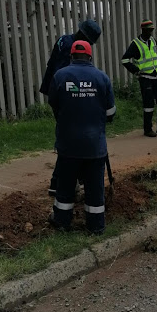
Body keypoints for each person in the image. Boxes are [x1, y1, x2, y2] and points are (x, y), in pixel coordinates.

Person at [47, 40, 116, 235]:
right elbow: (110, 113)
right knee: (95, 188)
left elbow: (55, 105)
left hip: (68, 145)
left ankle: (62, 222)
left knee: (65, 186)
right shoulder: (102, 78)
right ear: (90, 57)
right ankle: (95, 226)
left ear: (71, 57)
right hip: (95, 146)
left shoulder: (60, 76)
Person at [41, 18, 102, 195]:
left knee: (71, 137)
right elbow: (67, 78)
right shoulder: (71, 48)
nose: (89, 44)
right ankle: (59, 182)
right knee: (71, 138)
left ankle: (73, 178)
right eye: (89, 41)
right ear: (84, 35)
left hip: (57, 94)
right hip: (63, 99)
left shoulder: (64, 40)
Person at [121, 19, 157, 137]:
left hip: (156, 75)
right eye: (149, 30)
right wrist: (136, 71)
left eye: (152, 30)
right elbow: (124, 60)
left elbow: (154, 59)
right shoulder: (136, 44)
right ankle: (148, 129)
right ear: (143, 30)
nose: (151, 32)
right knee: (148, 103)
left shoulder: (153, 41)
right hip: (145, 77)